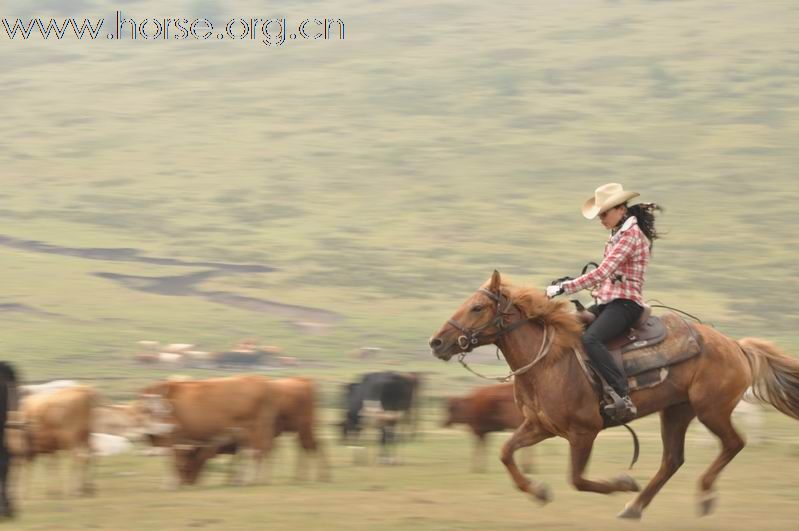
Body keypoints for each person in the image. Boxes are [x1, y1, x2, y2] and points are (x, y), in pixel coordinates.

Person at [545, 183, 661, 422]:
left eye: (604, 214)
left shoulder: (630, 235)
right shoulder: (617, 234)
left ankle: (621, 393)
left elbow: (602, 272)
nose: (601, 220)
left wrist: (564, 287)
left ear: (620, 209)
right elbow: (607, 277)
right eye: (599, 216)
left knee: (591, 338)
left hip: (626, 304)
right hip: (610, 302)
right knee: (570, 329)